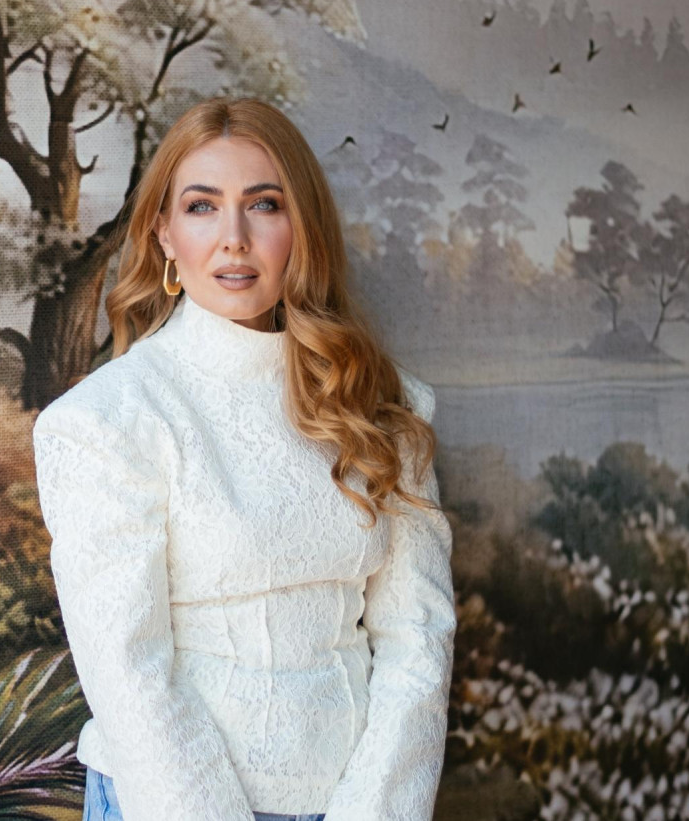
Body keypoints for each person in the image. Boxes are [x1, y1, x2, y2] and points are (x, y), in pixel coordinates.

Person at [31, 96, 456, 821]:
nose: (234, 238)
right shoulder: (103, 422)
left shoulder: (386, 408)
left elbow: (419, 642)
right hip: (163, 801)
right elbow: (129, 674)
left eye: (264, 204)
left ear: (302, 227)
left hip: (355, 800)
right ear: (164, 234)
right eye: (202, 207)